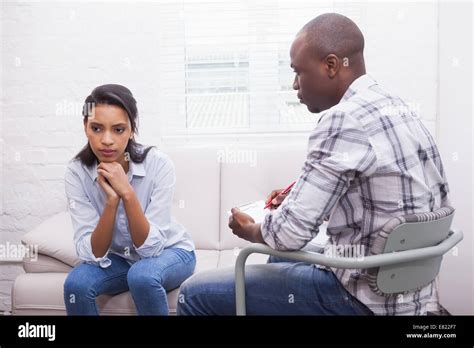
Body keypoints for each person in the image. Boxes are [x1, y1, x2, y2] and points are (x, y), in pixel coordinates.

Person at [177, 13, 450, 315]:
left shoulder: (343, 118)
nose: (294, 85)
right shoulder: (399, 107)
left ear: (331, 66)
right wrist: (297, 203)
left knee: (193, 294)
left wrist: (251, 230)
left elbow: (289, 234)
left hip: (363, 299)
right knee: (282, 260)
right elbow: (388, 203)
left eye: (298, 72)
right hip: (409, 296)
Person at [63, 84, 196, 315]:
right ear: (85, 127)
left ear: (132, 130)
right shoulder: (77, 172)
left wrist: (127, 193)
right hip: (120, 259)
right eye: (96, 128)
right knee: (76, 284)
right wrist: (112, 202)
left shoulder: (158, 164)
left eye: (118, 130)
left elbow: (152, 249)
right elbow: (93, 252)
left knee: (142, 275)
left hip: (170, 251)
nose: (107, 140)